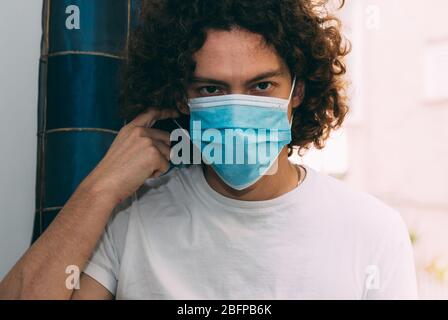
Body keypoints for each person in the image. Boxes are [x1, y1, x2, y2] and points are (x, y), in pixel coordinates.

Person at [0, 0, 418, 299]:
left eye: (260, 86)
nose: (238, 107)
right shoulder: (131, 220)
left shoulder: (373, 231)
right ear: (183, 98)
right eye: (212, 89)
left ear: (297, 92)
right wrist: (100, 189)